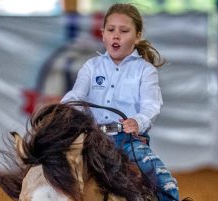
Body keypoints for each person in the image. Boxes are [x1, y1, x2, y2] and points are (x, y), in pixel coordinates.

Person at [61, 3, 179, 201]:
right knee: (53, 167)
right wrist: (62, 107)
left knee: (162, 180)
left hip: (128, 141)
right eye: (111, 30)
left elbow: (151, 105)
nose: (116, 35)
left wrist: (138, 121)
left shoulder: (145, 70)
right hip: (91, 140)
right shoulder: (91, 67)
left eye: (124, 31)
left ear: (137, 36)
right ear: (103, 34)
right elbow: (76, 95)